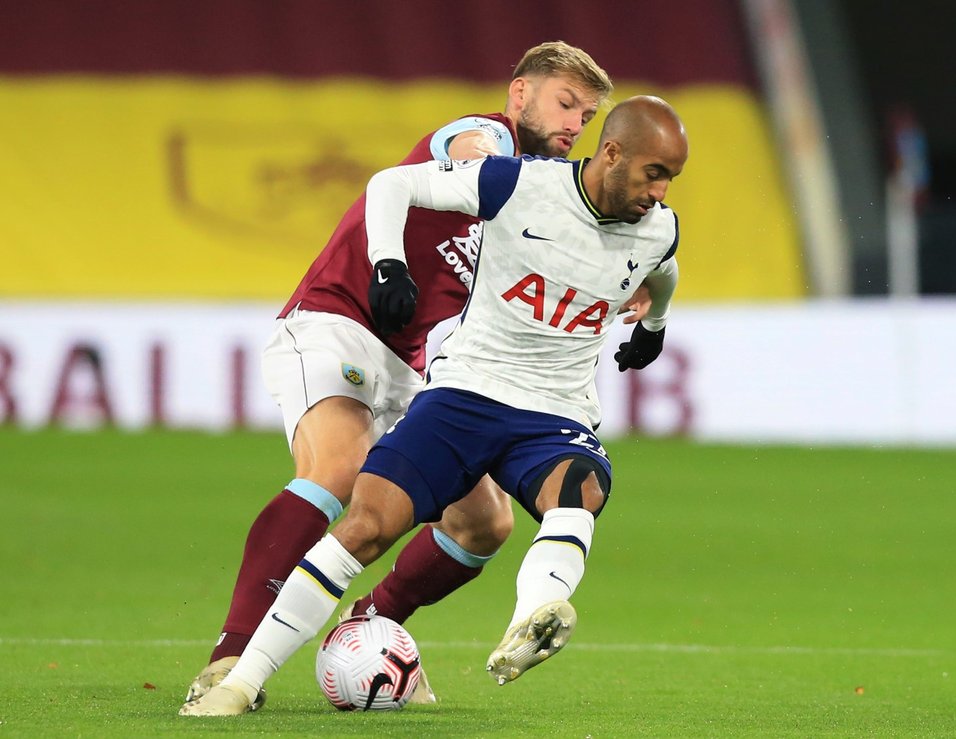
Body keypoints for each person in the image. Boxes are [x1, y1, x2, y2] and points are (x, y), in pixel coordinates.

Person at [179, 94, 689, 716]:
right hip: (465, 394)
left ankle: (533, 618)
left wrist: (655, 324)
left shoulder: (659, 225)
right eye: (654, 173)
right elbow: (394, 184)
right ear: (613, 154)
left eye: (671, 179)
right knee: (365, 525)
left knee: (580, 491)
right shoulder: (516, 182)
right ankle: (237, 680)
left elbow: (663, 266)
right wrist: (388, 265)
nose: (660, 192)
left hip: (556, 413)